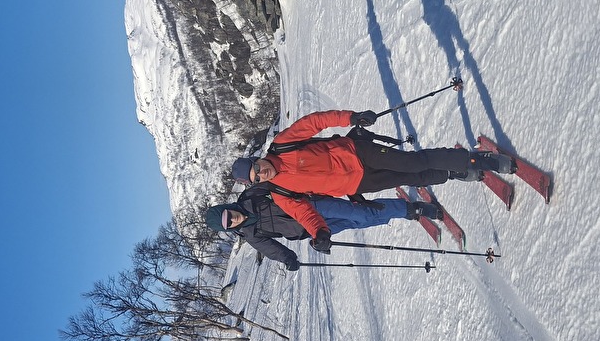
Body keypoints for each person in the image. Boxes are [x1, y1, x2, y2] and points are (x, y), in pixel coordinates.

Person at [229, 108, 513, 250]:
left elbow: (313, 123)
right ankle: (454, 171)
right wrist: (320, 234)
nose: (262, 173)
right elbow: (304, 214)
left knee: (413, 162)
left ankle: (476, 160)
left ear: (258, 159)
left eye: (258, 168)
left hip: (358, 153)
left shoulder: (283, 144)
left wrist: (350, 117)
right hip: (357, 184)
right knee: (413, 178)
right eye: (257, 178)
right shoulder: (280, 192)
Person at [204, 184, 442, 271]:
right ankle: (402, 210)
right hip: (311, 231)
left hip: (315, 206)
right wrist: (288, 260)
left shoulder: (251, 196)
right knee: (359, 221)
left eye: (228, 214)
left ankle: (413, 209)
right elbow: (272, 249)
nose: (233, 218)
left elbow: (279, 182)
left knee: (361, 213)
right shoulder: (251, 234)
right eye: (228, 223)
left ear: (227, 206)